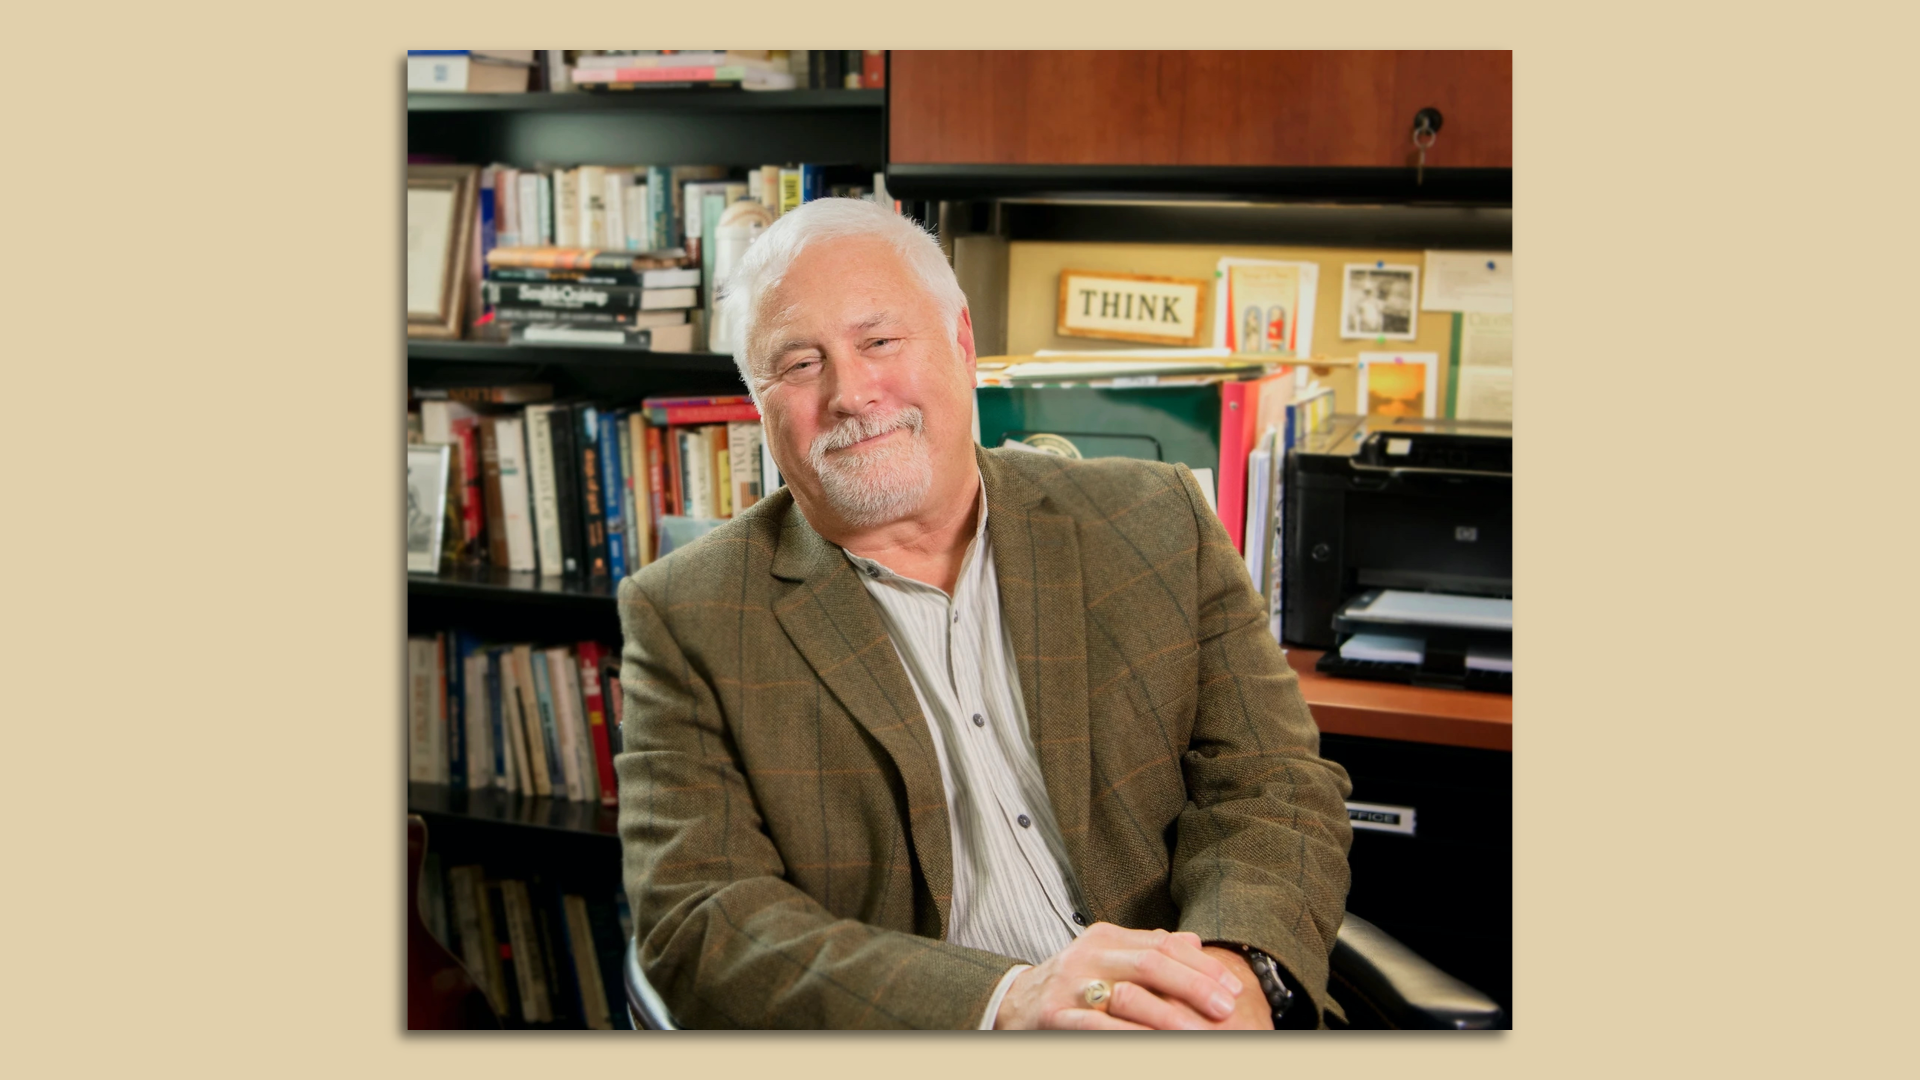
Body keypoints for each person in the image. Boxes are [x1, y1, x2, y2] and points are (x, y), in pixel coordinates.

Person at [614, 198, 1353, 1030]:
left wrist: (1234, 972)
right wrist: (1006, 1002)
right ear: (758, 400)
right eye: (798, 364)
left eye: (880, 340)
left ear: (962, 343)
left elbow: (1273, 784)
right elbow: (699, 920)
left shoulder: (1156, 519)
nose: (853, 392)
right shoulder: (686, 616)